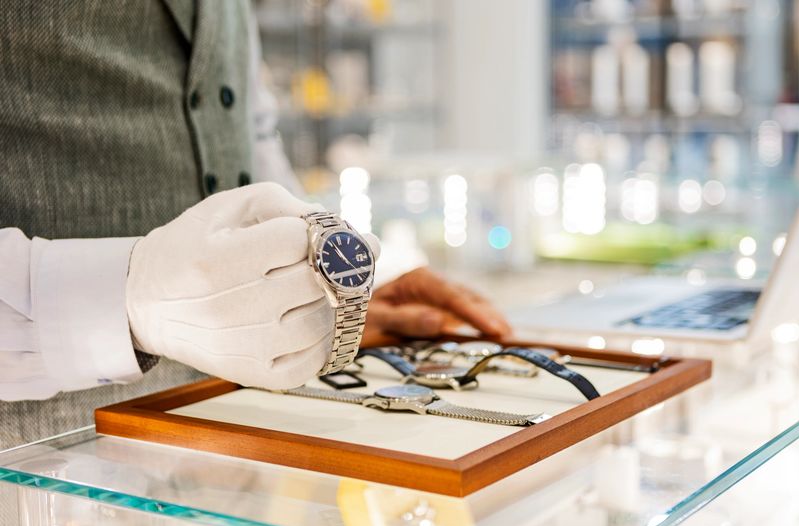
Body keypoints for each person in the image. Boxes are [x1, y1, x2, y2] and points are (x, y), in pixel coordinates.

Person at [0, 1, 510, 448]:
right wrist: (130, 299)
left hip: (237, 432)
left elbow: (246, 121)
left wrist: (318, 290)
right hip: (44, 458)